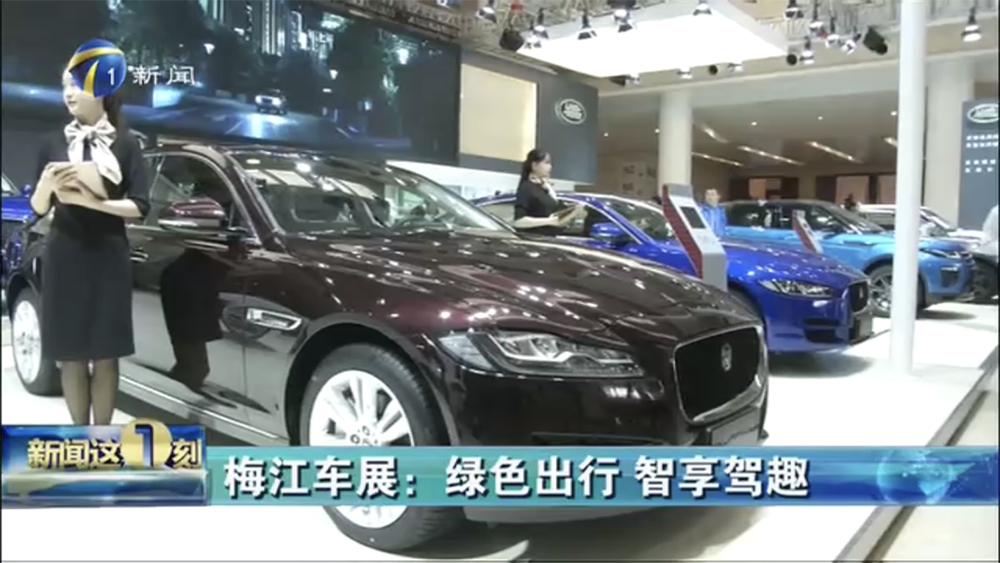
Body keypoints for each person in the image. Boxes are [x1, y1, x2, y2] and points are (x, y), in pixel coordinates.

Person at [28, 70, 149, 425]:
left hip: (108, 256)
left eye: (77, 86)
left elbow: (140, 205)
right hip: (65, 254)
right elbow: (38, 208)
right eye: (64, 85)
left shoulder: (126, 143)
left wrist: (96, 203)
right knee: (71, 354)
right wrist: (46, 185)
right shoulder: (51, 142)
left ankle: (102, 439)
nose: (69, 93)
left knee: (106, 353)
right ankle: (80, 438)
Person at [512, 149, 584, 236]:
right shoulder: (526, 188)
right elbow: (518, 221)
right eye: (546, 163)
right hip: (536, 238)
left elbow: (557, 220)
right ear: (534, 165)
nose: (550, 167)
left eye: (550, 163)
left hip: (551, 237)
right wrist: (549, 221)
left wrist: (573, 212)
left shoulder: (544, 188)